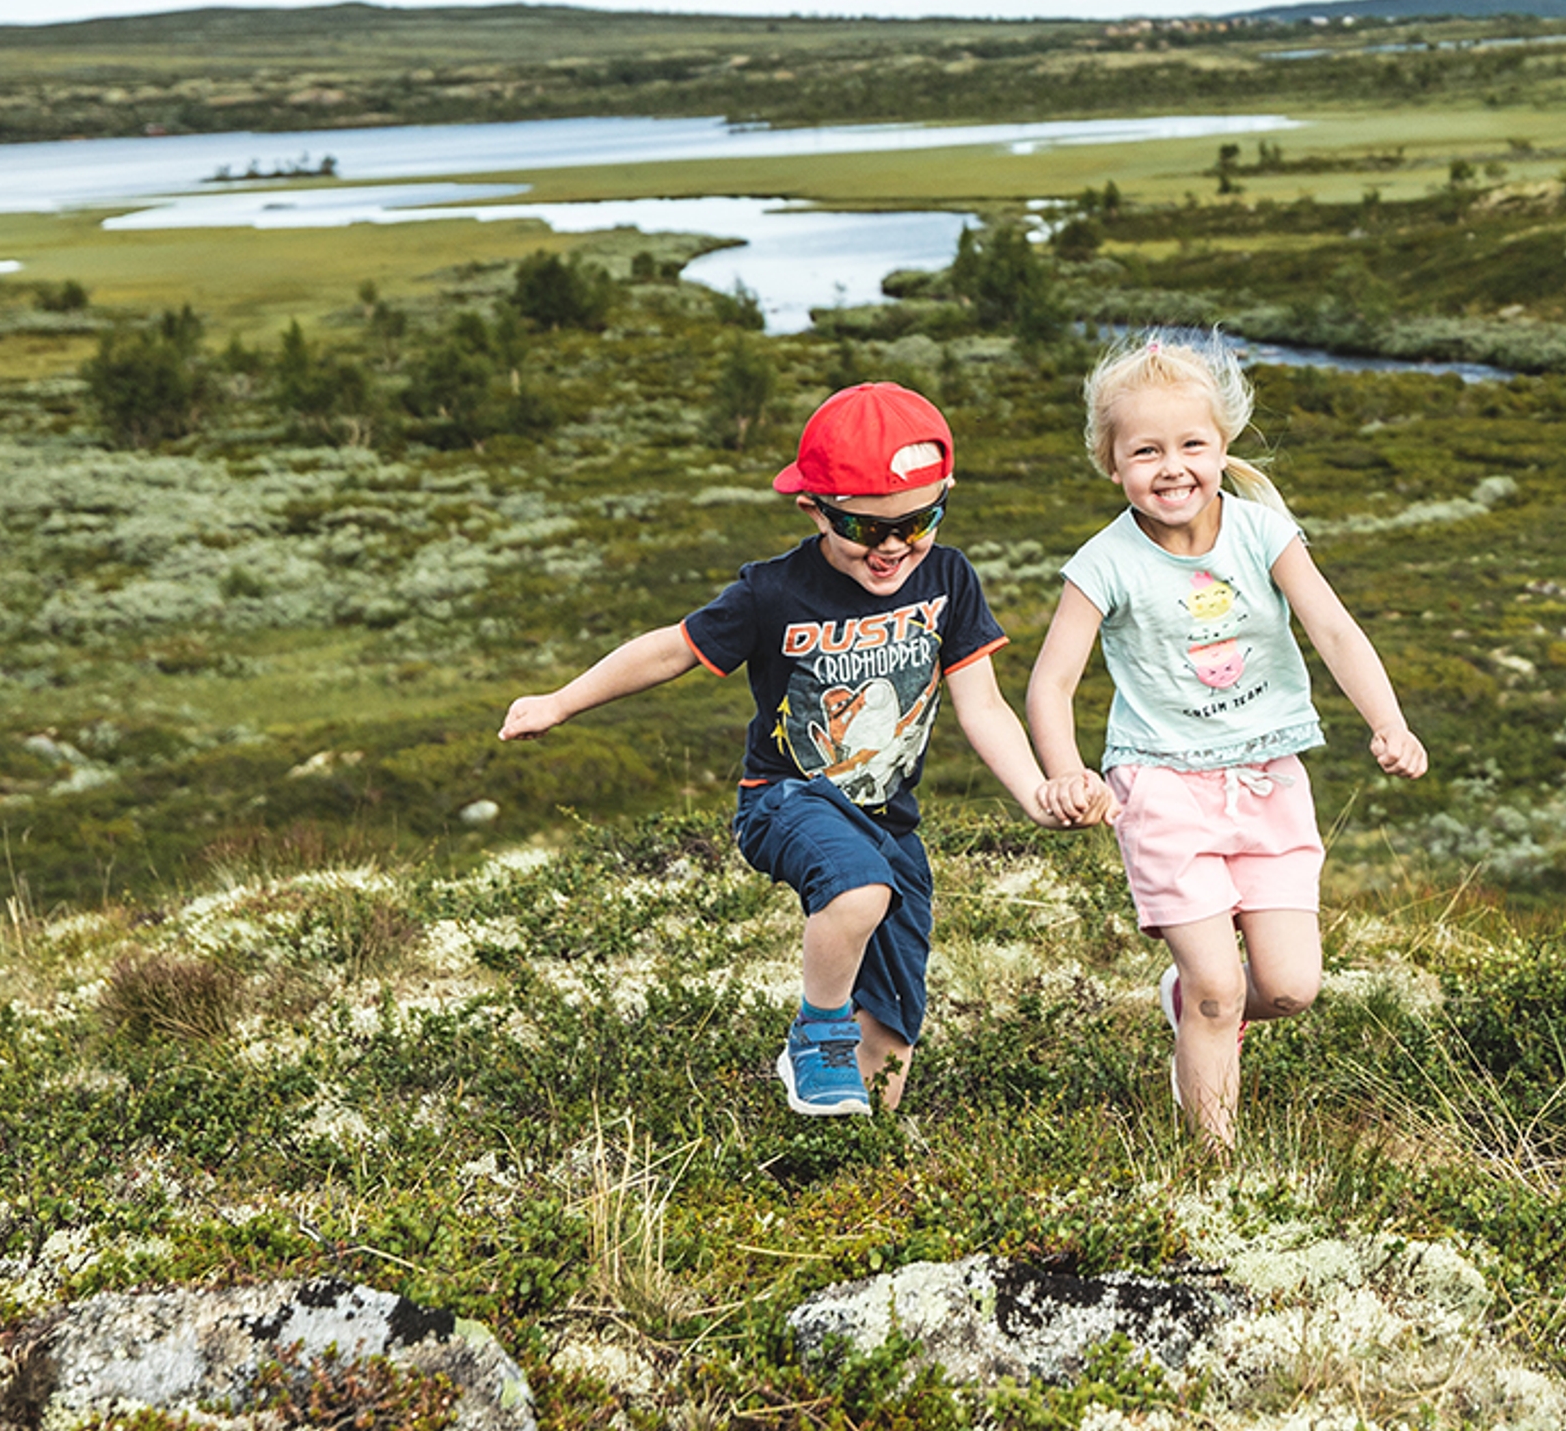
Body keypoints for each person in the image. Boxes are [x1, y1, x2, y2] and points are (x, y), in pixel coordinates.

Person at [503, 380, 1099, 1118]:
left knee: (892, 1027)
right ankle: (816, 1036)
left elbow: (983, 705)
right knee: (858, 891)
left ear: (945, 496)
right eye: (863, 526)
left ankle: (849, 1151)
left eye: (917, 523)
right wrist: (560, 702)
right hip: (787, 800)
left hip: (889, 820)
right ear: (814, 509)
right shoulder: (772, 591)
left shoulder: (948, 579)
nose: (891, 549)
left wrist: (1038, 794)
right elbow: (670, 651)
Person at [1025, 335, 1427, 1145]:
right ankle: (1213, 1164)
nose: (1171, 467)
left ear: (1222, 445)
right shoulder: (1103, 563)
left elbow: (1335, 631)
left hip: (1269, 782)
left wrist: (1389, 723)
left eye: (1190, 445)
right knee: (1219, 988)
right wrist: (1066, 773)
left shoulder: (1262, 533)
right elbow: (1050, 683)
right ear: (1112, 463)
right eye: (1146, 451)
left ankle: (1189, 1007)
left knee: (1288, 988)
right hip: (1163, 790)